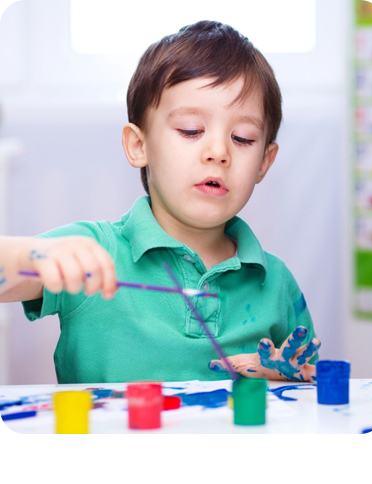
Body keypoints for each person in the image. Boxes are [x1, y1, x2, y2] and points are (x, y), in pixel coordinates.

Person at [0, 21, 319, 384]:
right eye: (190, 131)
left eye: (243, 138)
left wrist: (290, 380)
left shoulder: (276, 283)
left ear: (264, 162)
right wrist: (27, 258)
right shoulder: (92, 250)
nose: (218, 151)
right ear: (139, 146)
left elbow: (314, 387)